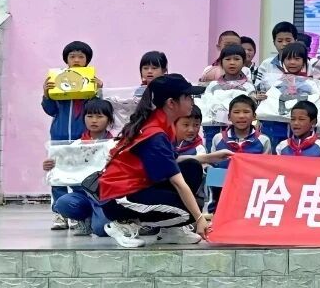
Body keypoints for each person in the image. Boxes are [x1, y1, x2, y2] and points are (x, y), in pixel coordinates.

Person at [97, 75, 229, 247]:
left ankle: (171, 232)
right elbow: (178, 182)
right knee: (188, 213)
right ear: (171, 103)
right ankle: (122, 224)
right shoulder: (155, 134)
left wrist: (209, 157)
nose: (192, 101)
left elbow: (172, 161)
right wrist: (199, 219)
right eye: (187, 97)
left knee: (192, 167)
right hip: (118, 198)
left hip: (138, 187)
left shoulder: (163, 123)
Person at [43, 40, 100, 230]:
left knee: (80, 175)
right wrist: (47, 94)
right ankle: (60, 214)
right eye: (72, 56)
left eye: (81, 57)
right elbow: (51, 110)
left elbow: (98, 110)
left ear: (87, 61)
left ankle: (77, 213)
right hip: (58, 137)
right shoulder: (58, 81)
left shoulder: (90, 82)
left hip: (82, 138)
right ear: (66, 60)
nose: (76, 60)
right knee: (57, 176)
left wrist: (99, 90)